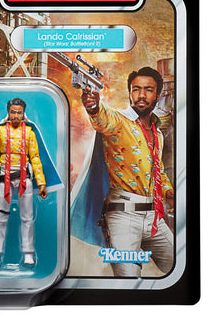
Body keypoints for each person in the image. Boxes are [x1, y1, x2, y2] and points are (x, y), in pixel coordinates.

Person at [81, 66, 174, 276]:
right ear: (130, 92)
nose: (141, 95)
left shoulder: (157, 133)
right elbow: (102, 117)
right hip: (123, 215)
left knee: (178, 263)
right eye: (136, 89)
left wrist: (168, 192)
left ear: (158, 95)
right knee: (128, 279)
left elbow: (157, 169)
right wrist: (93, 107)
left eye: (148, 90)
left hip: (154, 216)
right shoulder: (118, 121)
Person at [0, 98, 47, 266]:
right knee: (0, 218)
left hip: (25, 179)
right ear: (8, 113)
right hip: (5, 178)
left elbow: (35, 158)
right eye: (13, 112)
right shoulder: (0, 132)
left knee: (27, 218)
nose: (16, 115)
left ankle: (28, 253)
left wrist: (42, 183)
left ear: (23, 114)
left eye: (19, 112)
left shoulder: (29, 133)